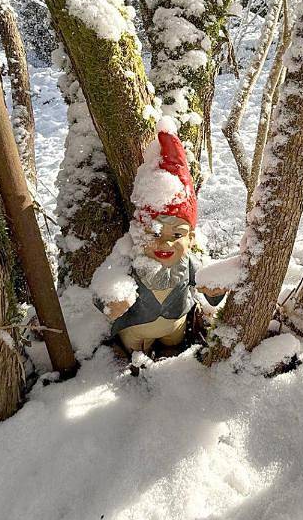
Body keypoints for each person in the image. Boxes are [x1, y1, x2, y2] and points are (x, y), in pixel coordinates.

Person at [92, 121, 225, 355]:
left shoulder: (189, 263)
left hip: (177, 327)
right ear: (138, 231)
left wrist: (214, 291)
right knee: (137, 357)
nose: (166, 243)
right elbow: (103, 287)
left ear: (191, 238)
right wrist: (111, 303)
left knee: (173, 352)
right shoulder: (128, 256)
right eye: (154, 233)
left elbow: (209, 291)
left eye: (177, 235)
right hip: (136, 331)